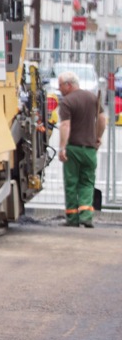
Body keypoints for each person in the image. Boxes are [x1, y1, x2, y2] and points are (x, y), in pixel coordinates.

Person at [57, 70, 107, 227]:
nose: (59, 89)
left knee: (71, 183)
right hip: (90, 150)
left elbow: (65, 125)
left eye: (60, 85)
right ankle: (86, 216)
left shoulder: (67, 102)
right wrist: (98, 137)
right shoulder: (92, 97)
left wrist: (62, 147)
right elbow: (102, 119)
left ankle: (72, 219)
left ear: (68, 85)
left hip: (73, 149)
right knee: (87, 182)